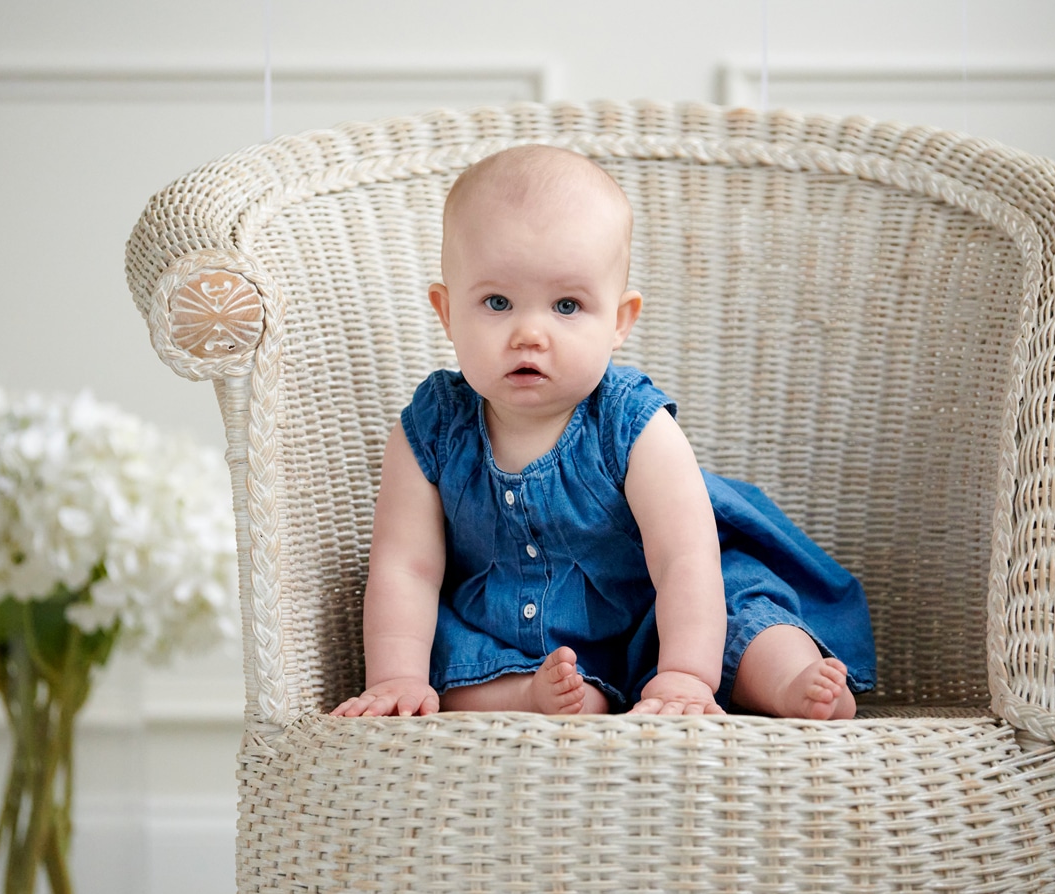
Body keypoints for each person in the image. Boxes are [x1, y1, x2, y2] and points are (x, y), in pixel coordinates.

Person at [332, 144, 875, 720]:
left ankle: (792, 682)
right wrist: (395, 678)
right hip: (510, 639)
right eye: (497, 302)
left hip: (662, 621)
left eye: (566, 305)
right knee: (441, 652)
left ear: (618, 321)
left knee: (746, 607)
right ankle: (533, 698)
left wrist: (686, 676)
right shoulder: (432, 428)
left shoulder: (633, 424)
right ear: (446, 314)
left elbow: (684, 560)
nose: (530, 333)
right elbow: (405, 566)